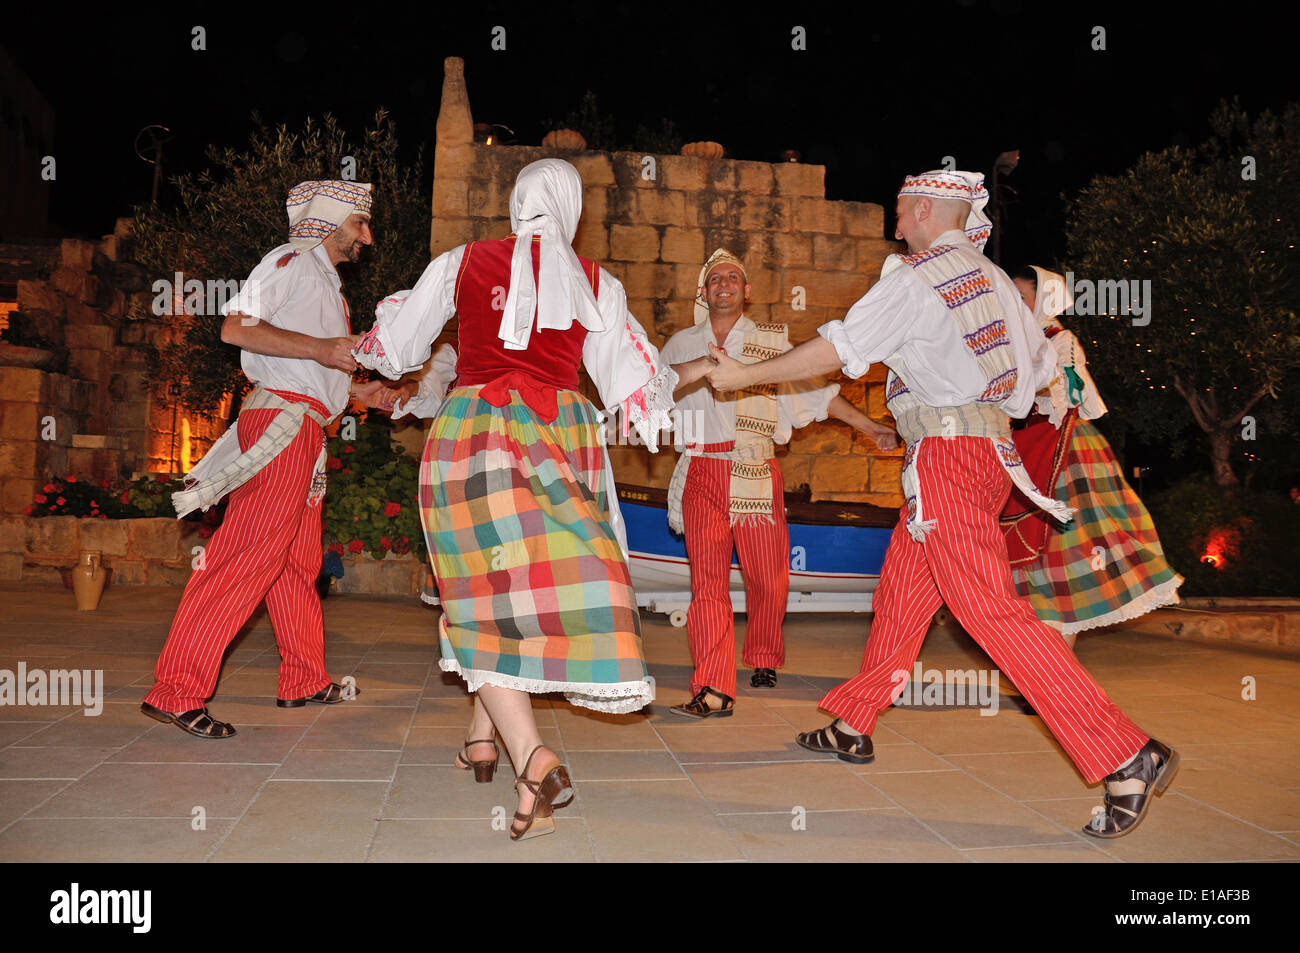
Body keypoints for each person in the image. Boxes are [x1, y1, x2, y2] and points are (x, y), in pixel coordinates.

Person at [707, 170, 1179, 838]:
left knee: (992, 613)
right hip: (986, 460)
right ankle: (853, 723)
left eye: (901, 210)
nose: (895, 223)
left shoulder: (916, 276)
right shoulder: (995, 283)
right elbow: (1046, 374)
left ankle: (1125, 751)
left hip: (946, 461)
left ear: (926, 208)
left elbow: (838, 347)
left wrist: (745, 375)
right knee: (902, 596)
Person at [354, 158, 676, 841]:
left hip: (476, 435)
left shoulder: (463, 262)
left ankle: (530, 754)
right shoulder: (595, 283)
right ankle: (483, 735)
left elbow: (401, 344)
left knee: (483, 591)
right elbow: (629, 383)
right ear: (572, 208)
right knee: (525, 588)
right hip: (561, 435)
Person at [142, 180, 405, 738]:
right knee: (244, 556)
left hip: (306, 427)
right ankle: (175, 691)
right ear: (330, 219)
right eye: (361, 223)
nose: (368, 236)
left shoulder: (326, 284)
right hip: (283, 424)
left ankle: (304, 679)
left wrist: (366, 394)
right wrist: (323, 349)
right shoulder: (289, 260)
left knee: (295, 563)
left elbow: (313, 372)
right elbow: (235, 327)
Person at [661, 248, 898, 717]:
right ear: (703, 293)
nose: (724, 284)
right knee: (706, 585)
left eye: (733, 277)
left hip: (754, 470)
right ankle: (713, 686)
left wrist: (869, 426)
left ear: (746, 291)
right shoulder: (678, 346)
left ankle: (764, 655)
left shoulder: (771, 344)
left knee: (767, 578)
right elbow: (652, 396)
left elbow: (817, 394)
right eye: (715, 279)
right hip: (702, 472)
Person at [1001, 267, 1182, 649]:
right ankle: (1047, 666)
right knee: (1034, 558)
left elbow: (1064, 397)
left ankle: (1061, 666)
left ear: (1045, 300)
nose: (1014, 302)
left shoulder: (1060, 339)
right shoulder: (1014, 341)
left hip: (1064, 452)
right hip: (1025, 451)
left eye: (1022, 296)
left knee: (1071, 547)